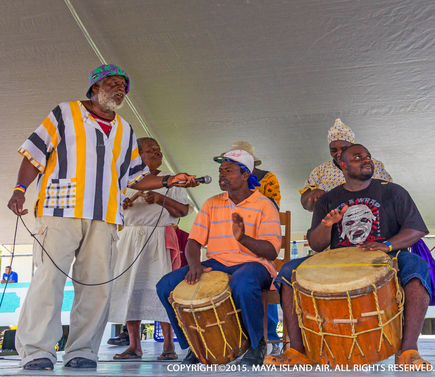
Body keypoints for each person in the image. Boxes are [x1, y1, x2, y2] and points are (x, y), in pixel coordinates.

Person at [6, 64, 197, 371]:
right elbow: (34, 154)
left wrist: (169, 181)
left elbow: (135, 178)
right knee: (48, 280)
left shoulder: (124, 129)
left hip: (105, 216)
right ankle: (37, 350)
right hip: (60, 210)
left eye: (123, 85)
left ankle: (82, 350)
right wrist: (19, 189)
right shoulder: (64, 113)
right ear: (94, 88)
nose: (119, 88)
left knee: (96, 286)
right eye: (112, 83)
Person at [267, 144, 432, 368]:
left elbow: (416, 229)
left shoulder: (392, 191)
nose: (366, 160)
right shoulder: (328, 199)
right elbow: (316, 244)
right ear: (342, 164)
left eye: (368, 157)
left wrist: (387, 244)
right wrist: (327, 226)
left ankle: (409, 351)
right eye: (358, 157)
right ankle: (297, 351)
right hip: (338, 261)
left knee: (417, 266)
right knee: (288, 271)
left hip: (387, 257)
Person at [156, 149, 282, 366]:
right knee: (165, 285)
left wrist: (243, 238)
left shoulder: (264, 205)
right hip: (216, 263)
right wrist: (194, 264)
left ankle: (257, 344)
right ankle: (194, 345)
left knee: (243, 283)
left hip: (254, 264)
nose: (222, 174)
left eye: (229, 170)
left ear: (245, 174)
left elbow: (271, 251)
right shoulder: (212, 203)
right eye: (221, 170)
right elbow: (194, 241)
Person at [109, 137, 191, 361]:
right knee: (130, 289)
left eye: (158, 150)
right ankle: (134, 346)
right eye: (150, 150)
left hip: (158, 239)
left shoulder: (172, 181)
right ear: (137, 155)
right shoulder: (123, 181)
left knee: (162, 290)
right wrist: (121, 207)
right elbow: (110, 212)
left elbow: (183, 212)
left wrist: (160, 199)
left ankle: (168, 346)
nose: (157, 153)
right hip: (130, 239)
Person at [218, 140, 283, 355]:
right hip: (232, 244)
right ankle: (236, 336)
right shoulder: (227, 179)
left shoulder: (268, 178)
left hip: (259, 239)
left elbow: (273, 205)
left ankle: (269, 335)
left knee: (261, 277)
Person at [300, 119, 392, 212]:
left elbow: (389, 194)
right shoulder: (321, 171)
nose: (339, 154)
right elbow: (306, 204)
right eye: (334, 150)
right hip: (331, 223)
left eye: (344, 149)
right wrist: (313, 196)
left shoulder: (371, 165)